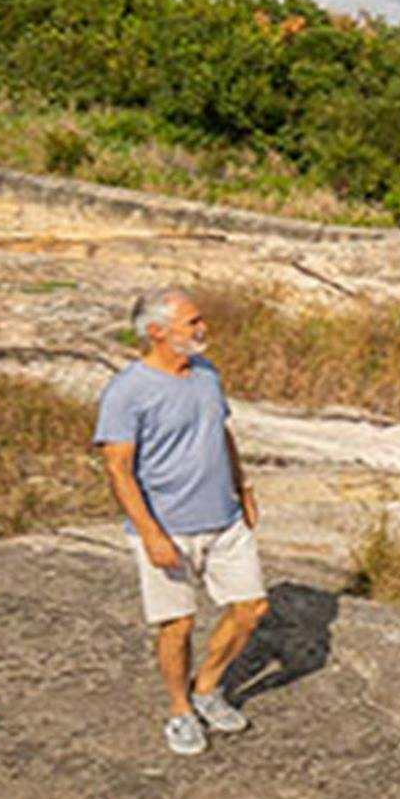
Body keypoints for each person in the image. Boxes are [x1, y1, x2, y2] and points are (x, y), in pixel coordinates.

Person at [95, 289, 269, 756]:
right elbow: (118, 468)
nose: (202, 328)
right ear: (157, 332)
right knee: (178, 625)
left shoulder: (207, 374)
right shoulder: (127, 391)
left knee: (251, 609)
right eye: (191, 322)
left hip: (224, 519)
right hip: (167, 526)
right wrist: (151, 533)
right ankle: (180, 711)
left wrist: (244, 489)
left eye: (199, 320)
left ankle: (206, 686)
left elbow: (221, 432)